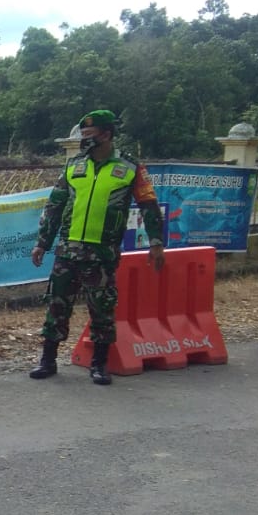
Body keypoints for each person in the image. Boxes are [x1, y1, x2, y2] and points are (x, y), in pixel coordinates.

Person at [29, 110, 165, 385]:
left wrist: (156, 242)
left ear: (107, 135)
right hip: (68, 250)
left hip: (102, 253)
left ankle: (99, 364)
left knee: (102, 309)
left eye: (90, 135)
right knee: (56, 306)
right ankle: (48, 360)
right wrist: (42, 242)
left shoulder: (130, 167)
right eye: (83, 135)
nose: (85, 140)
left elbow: (149, 206)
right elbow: (55, 206)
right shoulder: (74, 165)